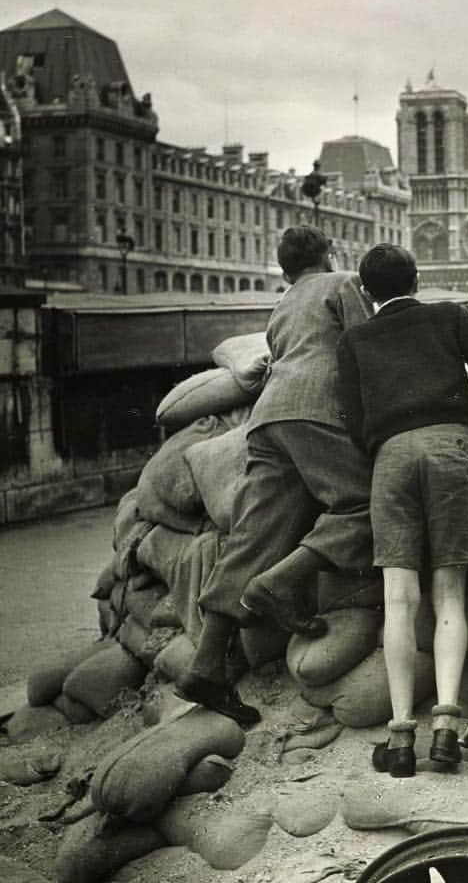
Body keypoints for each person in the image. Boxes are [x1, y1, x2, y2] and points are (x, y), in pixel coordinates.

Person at [338, 244, 468, 778]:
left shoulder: (354, 339)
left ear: (364, 291)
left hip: (391, 459)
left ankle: (400, 739)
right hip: (451, 450)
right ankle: (447, 731)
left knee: (398, 600)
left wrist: (385, 451)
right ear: (417, 280)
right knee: (450, 594)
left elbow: (352, 421)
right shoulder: (450, 316)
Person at [177, 226, 376, 726]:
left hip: (267, 420)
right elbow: (362, 348)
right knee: (365, 502)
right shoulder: (343, 283)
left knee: (253, 532)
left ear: (285, 269)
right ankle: (279, 582)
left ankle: (205, 665)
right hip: (318, 411)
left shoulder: (283, 302)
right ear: (329, 253)